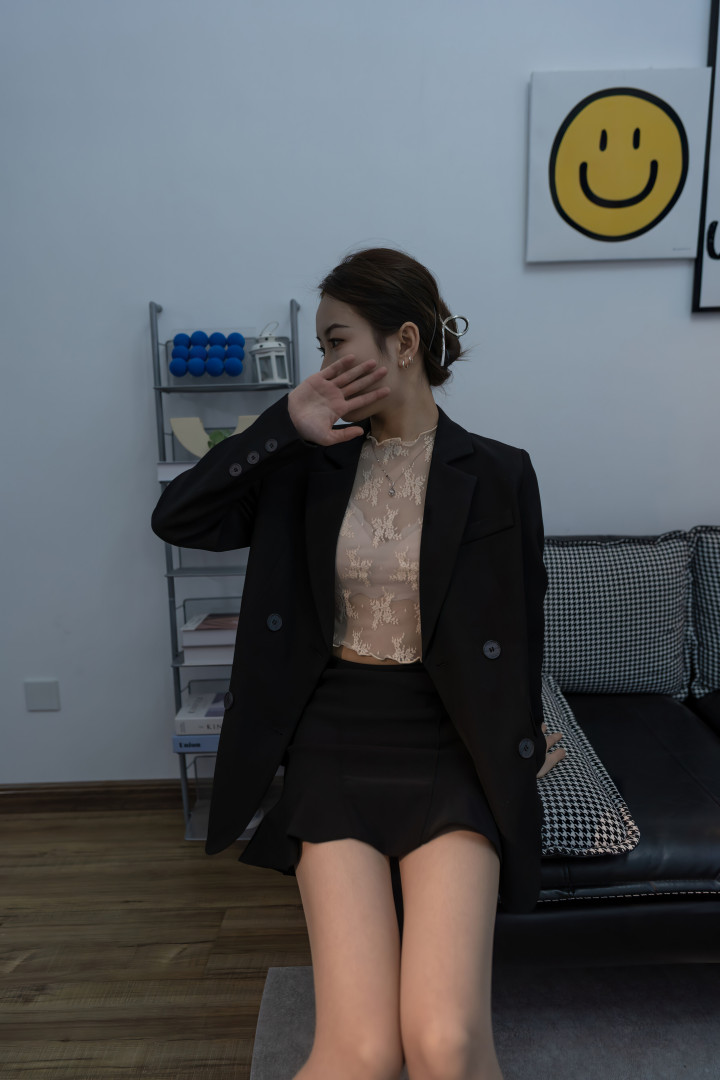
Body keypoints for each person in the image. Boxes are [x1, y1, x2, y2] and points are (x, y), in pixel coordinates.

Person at [151, 246, 564, 1080]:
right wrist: (280, 424)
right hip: (334, 743)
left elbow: (520, 622)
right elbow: (178, 518)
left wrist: (523, 736)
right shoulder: (306, 465)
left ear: (404, 342)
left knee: (445, 1042)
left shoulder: (499, 473)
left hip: (451, 748)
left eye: (337, 342)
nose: (326, 366)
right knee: (362, 1051)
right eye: (321, 348)